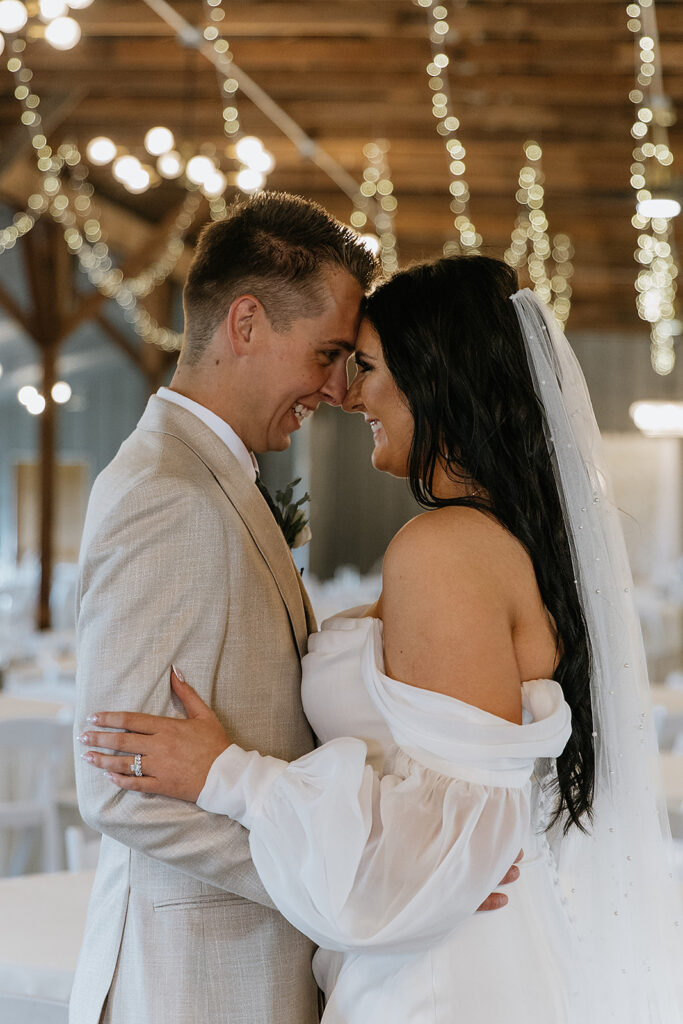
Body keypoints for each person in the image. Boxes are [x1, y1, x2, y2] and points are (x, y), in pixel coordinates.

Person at [80, 256, 683, 1021]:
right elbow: (442, 839)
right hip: (427, 944)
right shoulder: (484, 538)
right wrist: (429, 871)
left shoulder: (445, 549)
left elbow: (432, 841)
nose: (347, 392)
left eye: (363, 365)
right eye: (337, 360)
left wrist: (227, 775)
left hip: (431, 973)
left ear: (434, 375)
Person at [69, 191, 375, 1024]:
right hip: (197, 980)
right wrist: (328, 875)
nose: (337, 389)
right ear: (245, 324)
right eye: (327, 354)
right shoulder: (168, 492)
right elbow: (119, 787)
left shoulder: (213, 476)